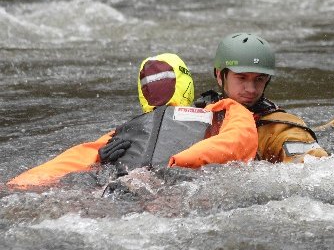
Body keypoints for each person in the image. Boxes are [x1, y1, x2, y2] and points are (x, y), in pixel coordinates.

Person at [7, 53, 257, 189]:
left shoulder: (124, 132)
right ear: (187, 85)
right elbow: (238, 138)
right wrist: (179, 162)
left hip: (125, 186)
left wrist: (99, 159)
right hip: (179, 184)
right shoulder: (219, 112)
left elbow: (60, 165)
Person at [194, 33, 329, 163]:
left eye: (259, 79)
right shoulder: (199, 114)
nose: (251, 89)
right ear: (219, 75)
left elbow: (316, 166)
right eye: (241, 77)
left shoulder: (281, 129)